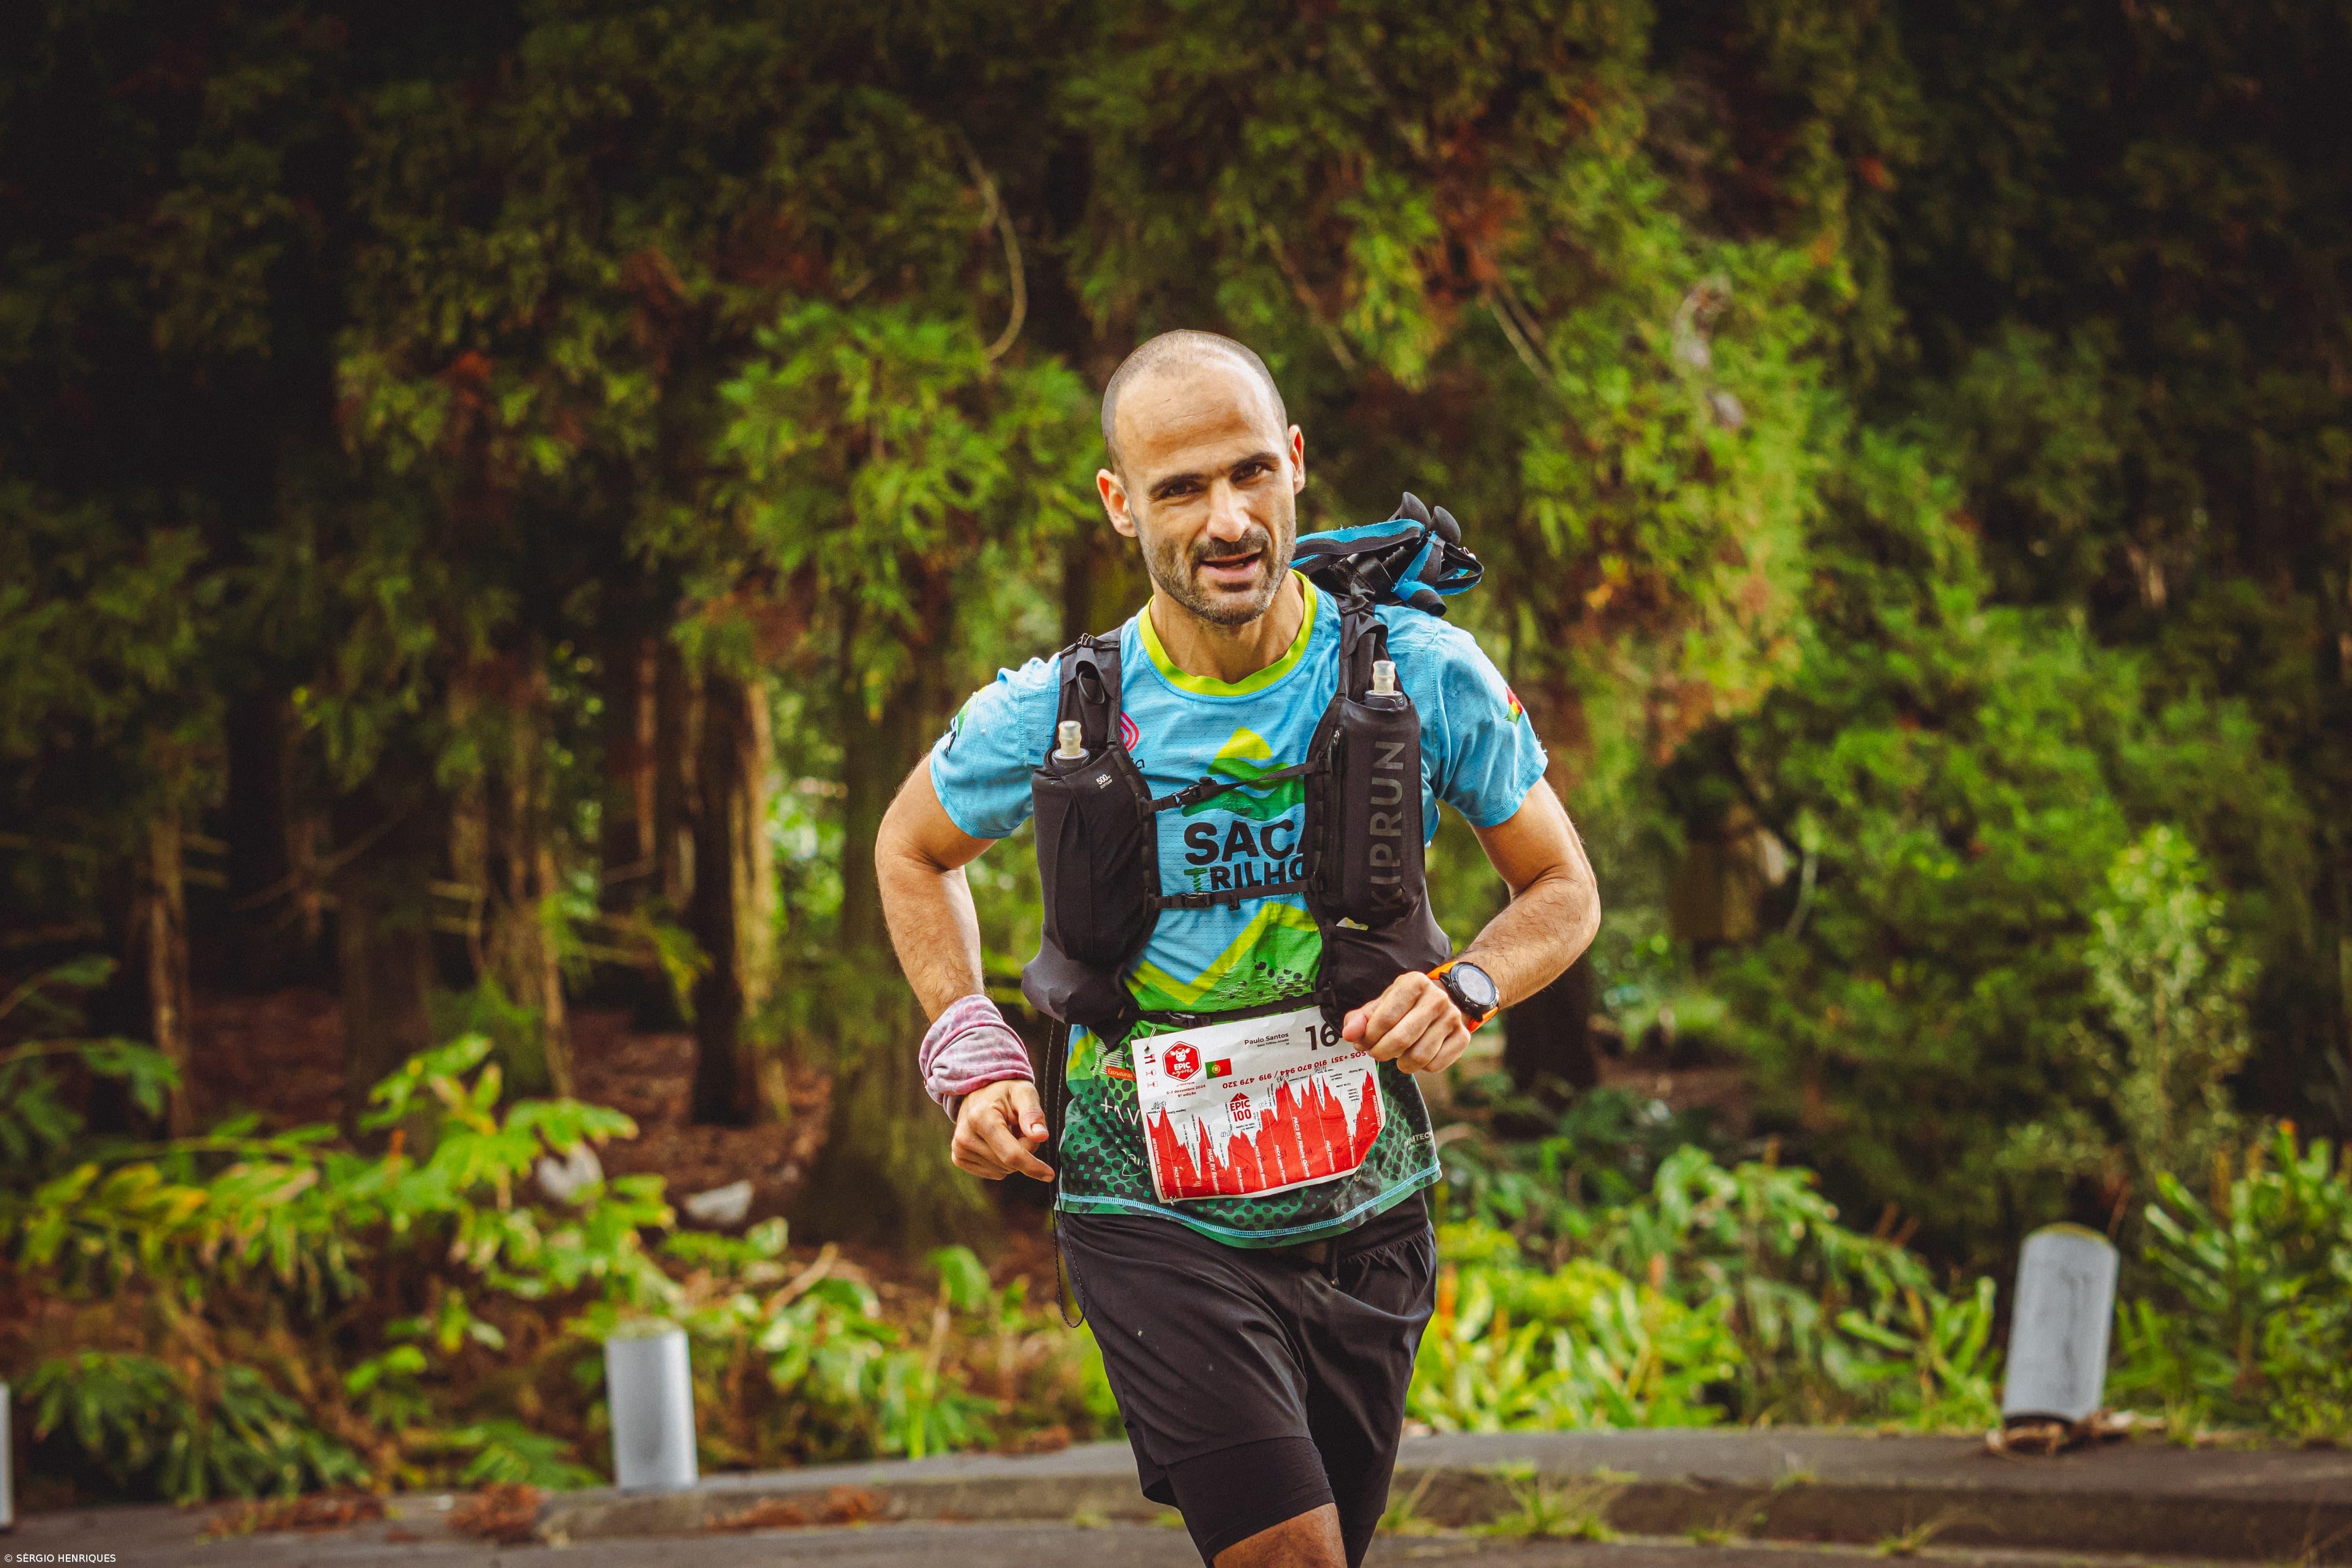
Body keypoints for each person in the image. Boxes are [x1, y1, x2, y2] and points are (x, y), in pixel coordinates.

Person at [874, 330, 1600, 1568]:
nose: (1228, 519)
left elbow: (1562, 888)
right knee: (1291, 1558)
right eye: (1181, 488)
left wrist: (1467, 988)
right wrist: (970, 1039)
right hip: (1145, 1205)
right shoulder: (1063, 708)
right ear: (1119, 505)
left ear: (1298, 465)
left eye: (1252, 473)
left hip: (1362, 1205)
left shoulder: (1421, 675)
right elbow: (911, 848)